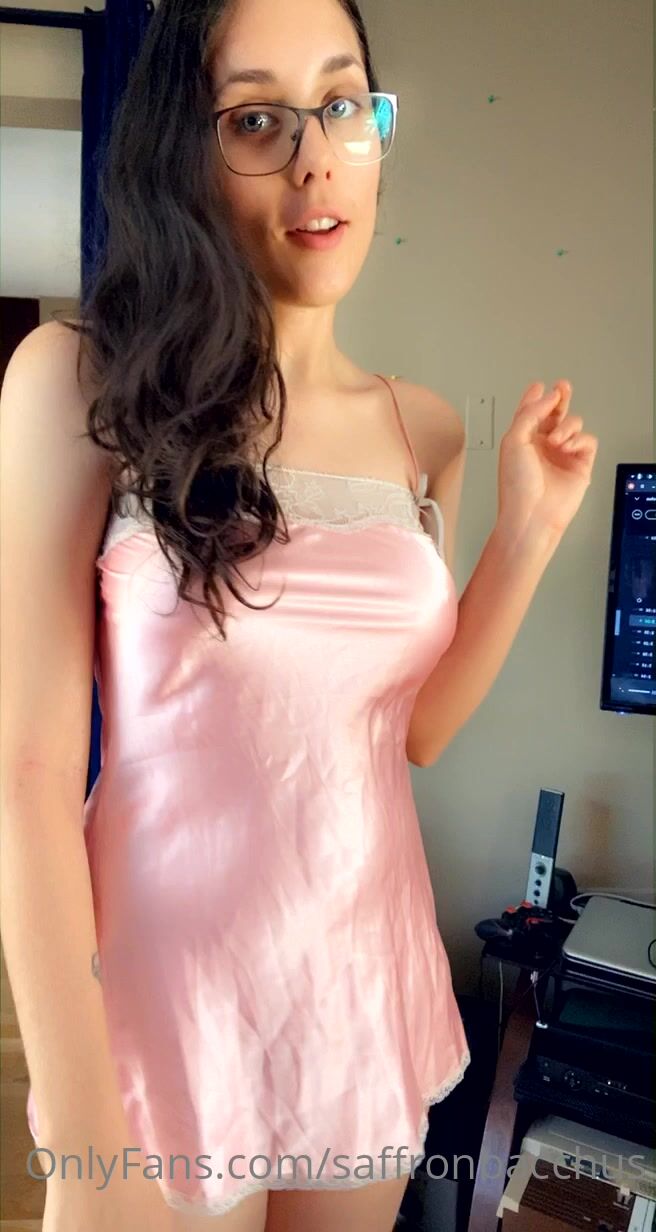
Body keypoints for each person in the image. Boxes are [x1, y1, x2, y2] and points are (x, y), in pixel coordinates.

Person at [0, 0, 598, 1228]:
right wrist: (81, 1124)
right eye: (256, 120)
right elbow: (29, 770)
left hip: (358, 988)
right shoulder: (81, 381)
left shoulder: (425, 427)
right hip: (162, 1010)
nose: (316, 158)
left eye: (341, 105)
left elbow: (412, 730)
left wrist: (525, 535)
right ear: (183, 148)